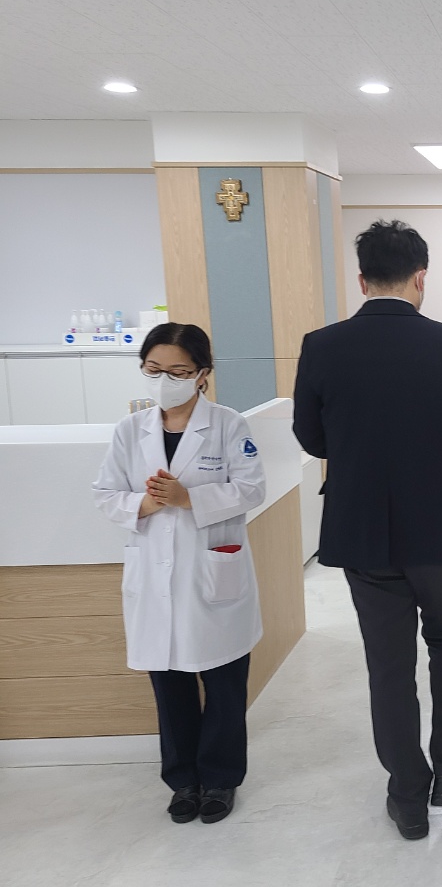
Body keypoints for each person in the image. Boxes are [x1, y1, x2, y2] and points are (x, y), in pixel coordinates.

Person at [292, 219, 442, 841]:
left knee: (388, 664)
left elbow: (311, 438)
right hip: (441, 529)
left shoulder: (321, 346)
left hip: (362, 531)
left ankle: (407, 796)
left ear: (361, 280)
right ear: (421, 278)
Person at [92, 323, 266, 825]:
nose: (164, 380)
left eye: (178, 371)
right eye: (154, 369)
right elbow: (105, 493)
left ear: (202, 374)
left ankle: (221, 779)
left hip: (213, 572)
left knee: (224, 684)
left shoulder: (229, 425)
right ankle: (183, 781)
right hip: (154, 574)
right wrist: (144, 504)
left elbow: (251, 488)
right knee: (169, 687)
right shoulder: (131, 430)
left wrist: (190, 498)